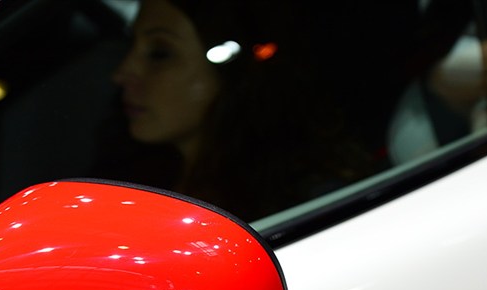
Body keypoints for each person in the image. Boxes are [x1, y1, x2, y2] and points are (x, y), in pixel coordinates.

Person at [105, 0, 375, 222]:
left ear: (232, 68)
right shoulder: (133, 180)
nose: (122, 73)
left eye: (160, 53)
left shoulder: (309, 201)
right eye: (131, 45)